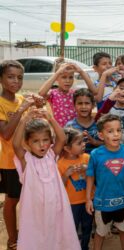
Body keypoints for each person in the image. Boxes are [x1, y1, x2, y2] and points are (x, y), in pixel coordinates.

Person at [13, 108, 80, 250]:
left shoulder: (51, 155)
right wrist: (24, 120)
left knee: (56, 235)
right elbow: (15, 145)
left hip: (55, 208)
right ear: (28, 142)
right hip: (34, 211)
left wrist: (50, 118)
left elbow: (62, 138)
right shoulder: (26, 160)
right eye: (36, 141)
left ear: (50, 140)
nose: (42, 144)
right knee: (36, 238)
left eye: (45, 140)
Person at [0, 60, 38, 250]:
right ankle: (12, 238)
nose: (16, 81)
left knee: (27, 198)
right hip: (9, 161)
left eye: (20, 77)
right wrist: (21, 110)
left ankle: (26, 233)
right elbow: (6, 133)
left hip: (27, 159)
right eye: (11, 77)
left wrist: (37, 108)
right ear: (1, 79)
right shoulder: (1, 103)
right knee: (12, 199)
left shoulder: (22, 99)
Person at [86, 114, 124, 250]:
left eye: (119, 130)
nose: (116, 134)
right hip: (102, 203)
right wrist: (88, 199)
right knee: (100, 232)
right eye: (110, 131)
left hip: (123, 200)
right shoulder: (96, 154)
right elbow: (90, 176)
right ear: (101, 135)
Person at [58, 127, 92, 250]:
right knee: (73, 228)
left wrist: (87, 168)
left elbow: (97, 174)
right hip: (71, 204)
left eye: (83, 141)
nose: (83, 145)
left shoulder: (87, 158)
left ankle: (85, 247)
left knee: (87, 226)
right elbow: (58, 187)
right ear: (67, 148)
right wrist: (66, 175)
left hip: (88, 201)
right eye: (79, 143)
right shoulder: (60, 164)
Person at [38, 58, 97, 127]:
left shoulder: (75, 94)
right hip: (60, 132)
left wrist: (81, 72)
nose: (67, 81)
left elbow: (94, 92)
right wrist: (57, 73)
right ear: (57, 78)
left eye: (70, 77)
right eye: (64, 77)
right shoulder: (53, 93)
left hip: (75, 132)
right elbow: (41, 93)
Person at [95, 78, 124, 145]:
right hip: (111, 146)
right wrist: (110, 99)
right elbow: (97, 119)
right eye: (121, 88)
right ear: (114, 90)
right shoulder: (108, 106)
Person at [65, 88, 102, 154]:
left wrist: (94, 142)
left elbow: (109, 144)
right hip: (77, 163)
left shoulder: (100, 124)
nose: (83, 106)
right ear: (74, 106)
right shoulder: (69, 127)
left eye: (87, 103)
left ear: (93, 105)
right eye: (80, 103)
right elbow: (65, 147)